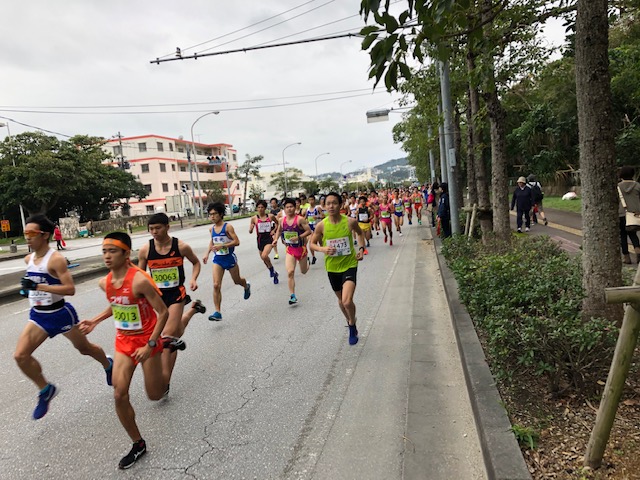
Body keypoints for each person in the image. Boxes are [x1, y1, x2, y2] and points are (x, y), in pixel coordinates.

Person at [79, 232, 169, 470]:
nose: (107, 256)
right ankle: (138, 443)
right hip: (124, 343)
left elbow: (163, 313)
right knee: (119, 394)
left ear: (126, 254)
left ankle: (165, 346)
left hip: (146, 342)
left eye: (112, 251)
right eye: (104, 251)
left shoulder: (140, 280)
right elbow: (118, 302)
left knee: (155, 395)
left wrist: (150, 344)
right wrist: (95, 320)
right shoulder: (105, 282)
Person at [14, 214, 112, 420]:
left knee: (84, 349)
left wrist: (37, 286)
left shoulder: (56, 259)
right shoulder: (28, 259)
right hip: (39, 316)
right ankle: (45, 389)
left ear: (45, 235)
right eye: (25, 234)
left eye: (32, 233)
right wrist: (28, 290)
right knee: (20, 356)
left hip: (59, 313)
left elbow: (70, 289)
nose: (27, 238)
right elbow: (33, 284)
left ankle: (108, 364)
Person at [137, 213, 205, 394]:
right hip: (156, 298)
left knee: (167, 336)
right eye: (151, 229)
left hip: (176, 294)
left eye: (157, 228)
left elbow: (196, 263)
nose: (154, 232)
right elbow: (139, 275)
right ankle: (192, 310)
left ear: (167, 226)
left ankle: (165, 382)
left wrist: (193, 279)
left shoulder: (181, 246)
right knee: (174, 333)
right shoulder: (145, 250)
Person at [309, 192, 365, 345]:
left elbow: (360, 234)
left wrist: (361, 249)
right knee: (340, 301)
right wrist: (323, 249)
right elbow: (312, 244)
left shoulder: (350, 222)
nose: (331, 206)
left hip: (349, 264)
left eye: (334, 203)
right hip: (332, 267)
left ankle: (352, 325)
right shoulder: (322, 225)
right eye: (328, 203)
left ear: (340, 205)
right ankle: (348, 319)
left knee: (347, 301)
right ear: (324, 206)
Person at [202, 202, 251, 321]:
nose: (212, 217)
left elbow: (237, 242)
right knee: (216, 285)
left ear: (221, 214)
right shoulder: (211, 229)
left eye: (214, 214)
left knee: (237, 280)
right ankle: (217, 312)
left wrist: (223, 245)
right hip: (218, 259)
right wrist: (207, 253)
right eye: (210, 214)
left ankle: (246, 285)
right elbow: (212, 241)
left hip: (229, 258)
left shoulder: (227, 227)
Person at [273, 197, 312, 305]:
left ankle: (306, 263)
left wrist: (299, 237)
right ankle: (292, 295)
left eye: (291, 207)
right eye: (287, 207)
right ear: (284, 209)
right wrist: (276, 239)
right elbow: (279, 230)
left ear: (295, 208)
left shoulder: (300, 219)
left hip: (301, 249)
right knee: (290, 272)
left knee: (303, 271)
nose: (289, 209)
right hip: (290, 249)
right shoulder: (282, 220)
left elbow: (309, 231)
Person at [249, 199, 279, 283]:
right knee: (263, 258)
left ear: (265, 208)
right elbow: (250, 230)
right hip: (260, 240)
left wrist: (274, 230)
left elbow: (278, 223)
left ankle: (271, 270)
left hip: (268, 239)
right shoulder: (254, 218)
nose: (260, 209)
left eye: (262, 207)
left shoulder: (270, 216)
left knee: (265, 256)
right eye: (258, 207)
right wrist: (251, 229)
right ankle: (274, 273)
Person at [617, 166, 640, 264]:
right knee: (633, 234)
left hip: (622, 214)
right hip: (635, 214)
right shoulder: (638, 186)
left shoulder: (618, 186)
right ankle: (638, 253)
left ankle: (626, 257)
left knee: (623, 236)